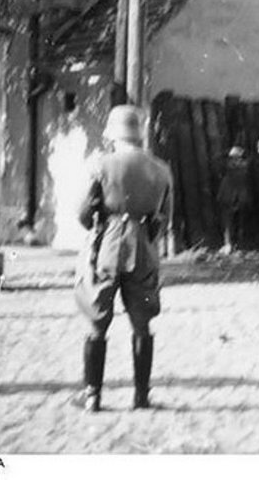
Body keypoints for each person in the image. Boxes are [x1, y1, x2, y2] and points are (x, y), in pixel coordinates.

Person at [74, 104, 173, 412]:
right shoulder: (160, 169)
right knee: (142, 324)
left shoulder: (101, 164)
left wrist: (98, 227)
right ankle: (141, 396)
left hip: (108, 245)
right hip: (142, 247)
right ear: (139, 134)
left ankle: (92, 395)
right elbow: (166, 218)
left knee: (97, 322)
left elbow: (83, 213)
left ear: (113, 134)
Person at [216, 146, 251, 254]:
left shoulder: (230, 168)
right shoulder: (245, 167)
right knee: (239, 222)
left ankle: (229, 244)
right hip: (241, 197)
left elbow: (218, 163)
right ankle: (239, 244)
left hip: (229, 197)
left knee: (228, 223)